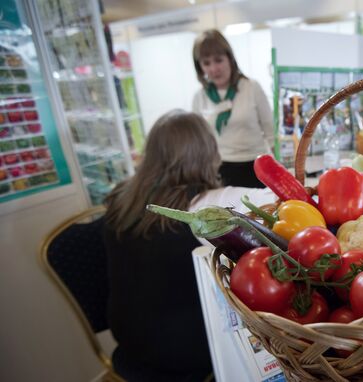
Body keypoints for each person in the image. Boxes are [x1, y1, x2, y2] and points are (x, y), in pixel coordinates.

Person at [103, 110, 274, 381]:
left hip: (129, 340)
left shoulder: (120, 198)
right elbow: (282, 199)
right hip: (185, 355)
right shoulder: (208, 203)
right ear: (209, 152)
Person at [192, 29, 274, 188]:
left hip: (256, 166)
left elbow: (270, 131)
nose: (214, 68)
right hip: (220, 170)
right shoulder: (199, 97)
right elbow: (199, 143)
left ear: (230, 58)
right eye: (206, 63)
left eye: (218, 60)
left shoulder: (251, 88)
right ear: (200, 67)